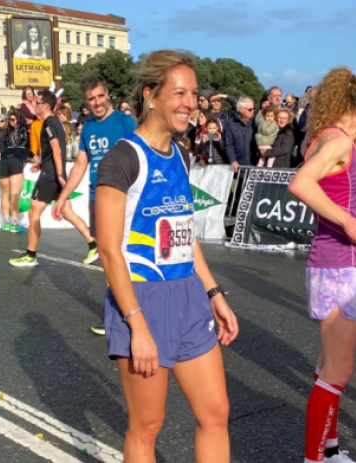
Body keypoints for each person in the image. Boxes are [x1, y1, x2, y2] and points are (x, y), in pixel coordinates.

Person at [96, 50, 238, 462]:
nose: (189, 103)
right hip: (142, 302)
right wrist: (137, 326)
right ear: (151, 95)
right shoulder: (122, 158)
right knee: (147, 426)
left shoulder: (181, 154)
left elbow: (185, 233)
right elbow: (108, 250)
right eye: (179, 93)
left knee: (216, 412)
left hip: (190, 298)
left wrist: (214, 293)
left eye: (193, 94)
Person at [288, 68, 356, 463]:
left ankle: (328, 452)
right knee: (338, 374)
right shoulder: (337, 139)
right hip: (339, 266)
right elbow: (300, 183)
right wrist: (347, 221)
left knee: (328, 366)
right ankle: (315, 460)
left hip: (334, 263)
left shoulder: (329, 136)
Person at [51, 75, 136, 336]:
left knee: (130, 255)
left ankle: (136, 311)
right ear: (85, 102)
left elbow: (140, 156)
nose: (97, 103)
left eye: (101, 96)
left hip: (125, 195)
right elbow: (79, 166)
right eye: (91, 99)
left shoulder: (125, 121)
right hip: (96, 197)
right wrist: (63, 196)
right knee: (108, 257)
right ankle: (116, 313)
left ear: (107, 94)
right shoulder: (87, 127)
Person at [9, 90, 97, 267]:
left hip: (50, 176)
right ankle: (93, 245)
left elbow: (57, 150)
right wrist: (43, 163)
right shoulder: (53, 122)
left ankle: (30, 255)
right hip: (53, 172)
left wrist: (57, 174)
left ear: (46, 106)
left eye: (37, 102)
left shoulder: (49, 123)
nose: (34, 105)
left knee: (33, 212)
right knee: (67, 212)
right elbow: (52, 151)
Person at [0, 109, 30, 232]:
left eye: (12, 119)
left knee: (6, 193)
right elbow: (25, 143)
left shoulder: (5, 131)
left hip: (4, 160)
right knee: (14, 193)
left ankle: (6, 222)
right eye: (9, 119)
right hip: (15, 159)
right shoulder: (21, 129)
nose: (10, 121)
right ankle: (13, 222)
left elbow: (1, 146)